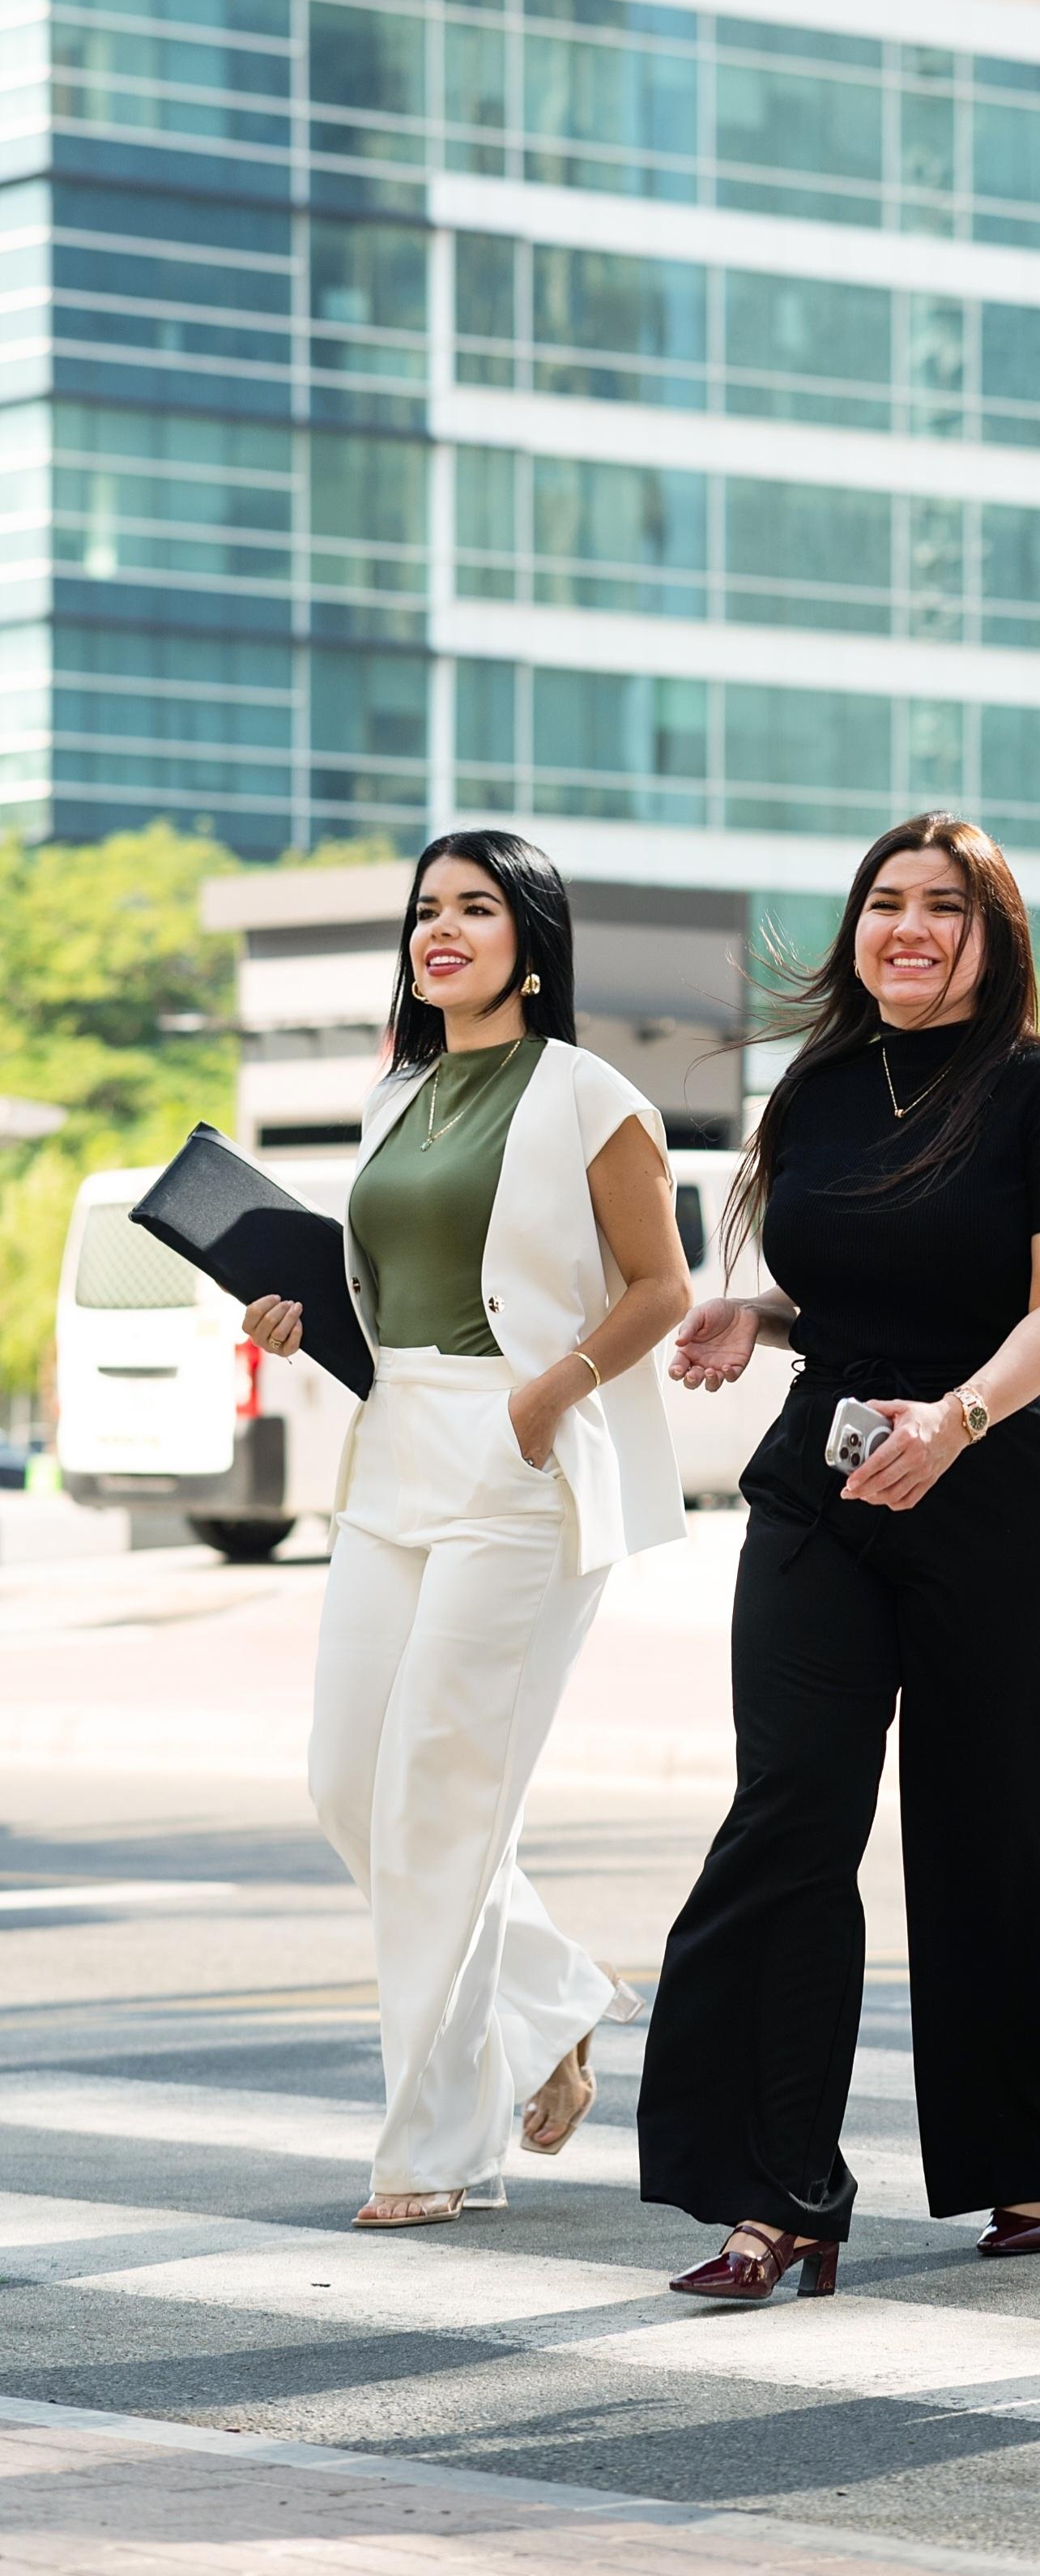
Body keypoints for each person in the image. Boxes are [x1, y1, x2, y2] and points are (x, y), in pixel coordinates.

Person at [637, 812, 1040, 2300]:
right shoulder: (825, 1086)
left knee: (998, 1816)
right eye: (886, 903)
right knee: (788, 1811)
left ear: (997, 933)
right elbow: (834, 1277)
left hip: (996, 1482)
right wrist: (754, 1312)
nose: (910, 928)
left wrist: (961, 1419)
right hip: (823, 1487)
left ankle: (1039, 2160)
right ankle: (776, 2190)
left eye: (945, 907)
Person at [243, 828, 692, 2229]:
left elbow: (662, 1285)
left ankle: (431, 2150)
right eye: (427, 909)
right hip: (394, 1455)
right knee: (342, 1778)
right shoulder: (397, 1095)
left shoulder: (588, 1093)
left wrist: (553, 1389)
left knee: (439, 1789)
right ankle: (555, 1989)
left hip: (519, 1458)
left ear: (531, 940)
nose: (443, 930)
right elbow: (391, 1299)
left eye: (475, 908)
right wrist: (299, 1316)